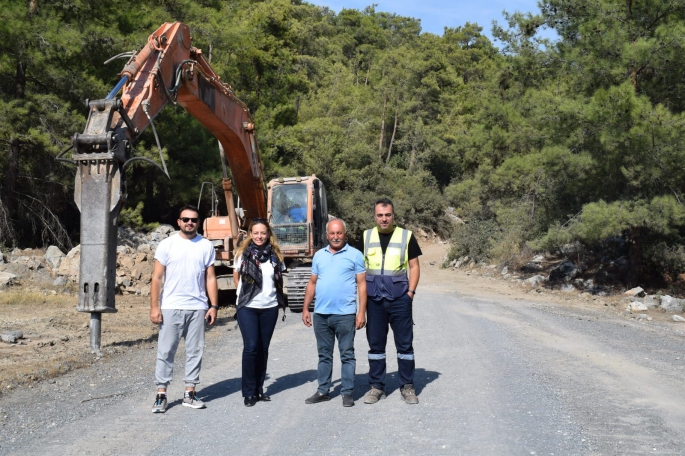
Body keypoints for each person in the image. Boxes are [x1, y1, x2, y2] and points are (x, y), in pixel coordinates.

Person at [150, 205, 218, 413]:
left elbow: (210, 277)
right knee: (166, 351)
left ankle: (190, 392)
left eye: (194, 220)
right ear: (178, 221)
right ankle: (161, 394)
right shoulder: (167, 245)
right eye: (186, 219)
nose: (190, 223)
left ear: (199, 223)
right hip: (171, 306)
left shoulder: (206, 246)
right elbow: (157, 277)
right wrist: (155, 307)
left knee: (195, 351)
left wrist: (213, 305)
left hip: (197, 307)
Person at [356, 198, 422, 405]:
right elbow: (359, 270)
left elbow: (414, 266)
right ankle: (376, 387)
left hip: (400, 299)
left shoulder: (406, 236)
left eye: (388, 215)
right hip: (375, 300)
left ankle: (408, 387)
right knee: (375, 346)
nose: (384, 219)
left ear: (393, 215)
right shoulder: (366, 236)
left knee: (404, 345)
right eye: (380, 215)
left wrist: (410, 293)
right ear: (374, 216)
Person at [302, 219, 367, 407]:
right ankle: (323, 390)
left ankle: (347, 392)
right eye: (332, 233)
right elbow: (312, 283)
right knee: (324, 354)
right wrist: (306, 308)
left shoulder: (355, 255)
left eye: (339, 233)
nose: (336, 237)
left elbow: (362, 284)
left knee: (347, 354)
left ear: (345, 234)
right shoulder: (319, 256)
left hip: (345, 315)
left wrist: (361, 312)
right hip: (321, 314)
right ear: (327, 234)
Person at [232, 218, 287, 407]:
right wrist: (246, 295)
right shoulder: (242, 254)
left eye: (263, 233)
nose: (259, 236)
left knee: (263, 349)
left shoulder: (276, 255)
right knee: (251, 347)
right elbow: (236, 278)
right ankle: (248, 392)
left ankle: (259, 389)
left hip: (269, 307)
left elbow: (278, 280)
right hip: (248, 307)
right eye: (255, 233)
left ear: (268, 234)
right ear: (250, 234)